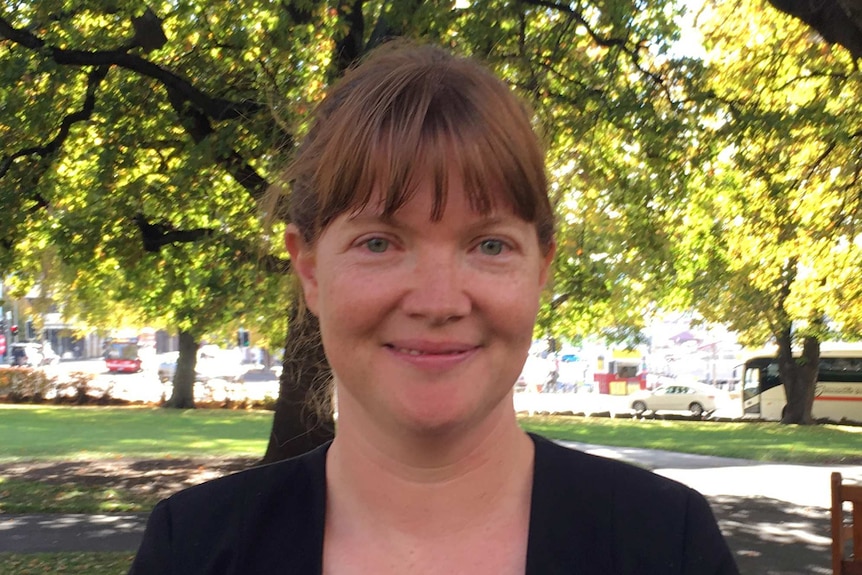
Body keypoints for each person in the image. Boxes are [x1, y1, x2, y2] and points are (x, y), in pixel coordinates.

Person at [129, 42, 739, 575]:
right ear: (310, 268)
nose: (440, 302)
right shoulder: (195, 550)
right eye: (379, 243)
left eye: (490, 245)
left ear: (540, 269)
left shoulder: (665, 543)